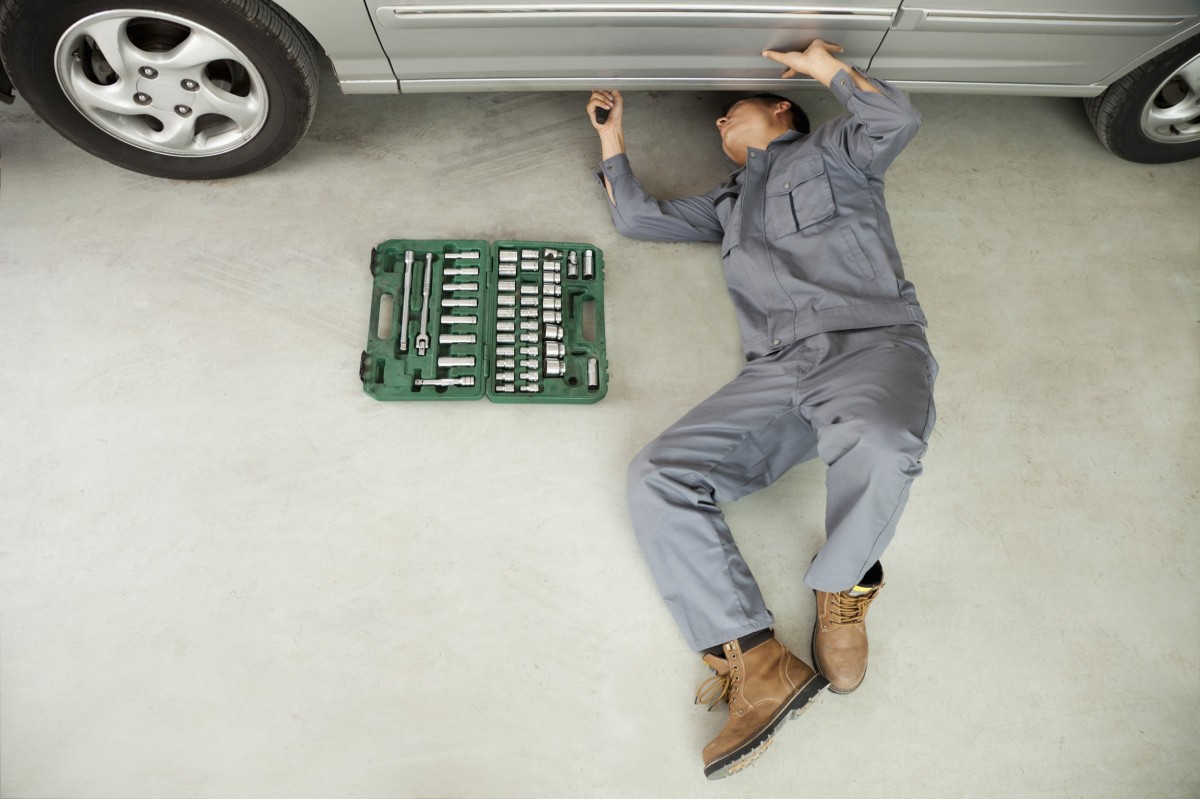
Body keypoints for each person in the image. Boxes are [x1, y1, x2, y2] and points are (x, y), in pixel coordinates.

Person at [587, 40, 938, 780]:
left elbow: (896, 116)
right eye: (717, 121)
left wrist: (823, 68)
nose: (720, 123)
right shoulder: (729, 200)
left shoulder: (836, 151)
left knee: (882, 441)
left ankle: (840, 584)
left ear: (781, 108)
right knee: (657, 474)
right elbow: (639, 220)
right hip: (777, 374)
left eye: (733, 111)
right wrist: (610, 137)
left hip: (869, 343)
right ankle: (758, 659)